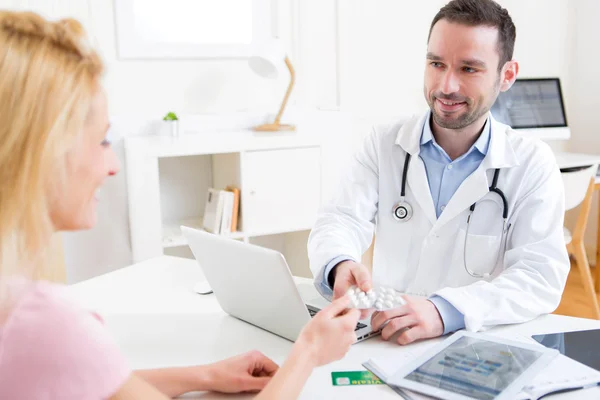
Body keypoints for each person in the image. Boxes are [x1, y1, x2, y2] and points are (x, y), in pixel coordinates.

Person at [0, 11, 360, 399]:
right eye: (102, 141)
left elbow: (90, 382)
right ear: (42, 149)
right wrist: (308, 353)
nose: (112, 164)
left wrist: (205, 376)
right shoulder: (46, 324)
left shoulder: (21, 314)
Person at [309, 0, 569, 345]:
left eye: (469, 69)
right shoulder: (385, 143)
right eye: (436, 63)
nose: (446, 86)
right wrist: (340, 264)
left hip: (478, 347)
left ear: (506, 75)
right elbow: (340, 219)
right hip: (388, 337)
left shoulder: (532, 163)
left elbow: (539, 275)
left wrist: (444, 310)